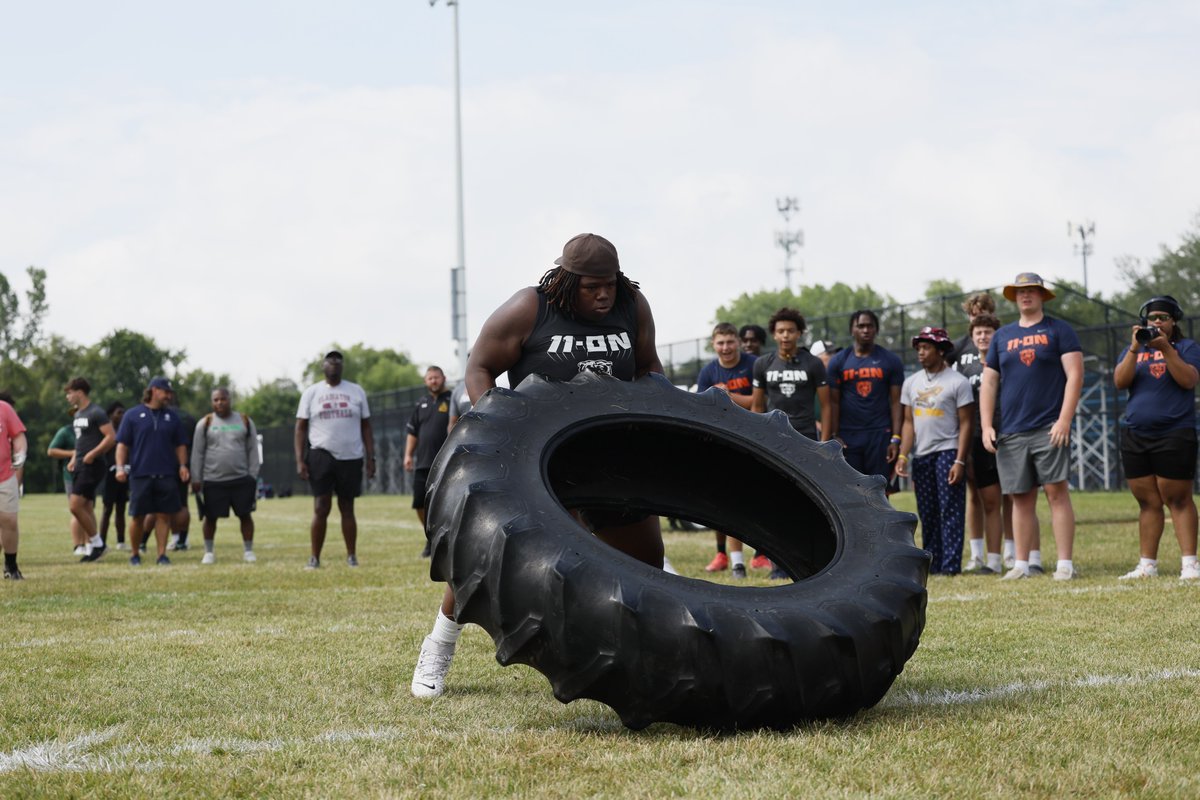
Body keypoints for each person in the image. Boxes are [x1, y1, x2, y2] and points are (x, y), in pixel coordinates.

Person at [411, 232, 664, 699]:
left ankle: (650, 655)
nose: (604, 294)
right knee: (485, 559)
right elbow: (480, 365)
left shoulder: (632, 304)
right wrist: (497, 419)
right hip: (538, 455)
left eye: (609, 283)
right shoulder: (532, 307)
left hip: (610, 453)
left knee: (648, 560)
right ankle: (439, 645)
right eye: (592, 286)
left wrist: (650, 417)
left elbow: (649, 367)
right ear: (567, 281)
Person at [980, 273, 1083, 581]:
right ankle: (1021, 564)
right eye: (1020, 291)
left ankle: (1065, 563)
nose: (1026, 295)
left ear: (1042, 295)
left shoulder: (1059, 330)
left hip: (1049, 427)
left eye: (1032, 291)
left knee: (1056, 493)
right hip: (1011, 430)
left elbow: (1075, 375)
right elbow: (989, 381)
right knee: (1020, 498)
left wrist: (1064, 419)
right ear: (1014, 297)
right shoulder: (1002, 336)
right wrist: (987, 425)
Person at [1112, 295, 1200, 581]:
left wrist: (1166, 350)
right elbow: (1120, 381)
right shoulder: (1134, 350)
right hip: (1137, 434)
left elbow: (1188, 380)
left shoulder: (1187, 347)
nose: (1157, 322)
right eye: (1153, 318)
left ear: (1174, 321)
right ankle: (1147, 564)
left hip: (1174, 433)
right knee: (1147, 502)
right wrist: (1135, 348)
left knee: (1178, 499)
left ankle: (1189, 564)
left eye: (1163, 317)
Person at [894, 327, 974, 575]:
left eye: (926, 347)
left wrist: (960, 461)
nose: (921, 352)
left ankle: (950, 566)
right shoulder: (911, 382)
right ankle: (934, 564)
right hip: (923, 454)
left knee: (950, 510)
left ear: (941, 350)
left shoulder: (958, 382)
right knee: (927, 512)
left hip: (948, 452)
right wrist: (903, 455)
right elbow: (908, 422)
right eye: (918, 348)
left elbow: (966, 424)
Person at [295, 350, 375, 569]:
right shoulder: (312, 393)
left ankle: (351, 555)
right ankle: (314, 557)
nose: (334, 364)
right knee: (321, 506)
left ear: (342, 366)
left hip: (351, 455)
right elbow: (300, 427)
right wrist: (300, 460)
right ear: (323, 366)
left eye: (337, 362)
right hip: (321, 454)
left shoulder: (356, 391)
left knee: (347, 506)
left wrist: (371, 457)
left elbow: (366, 426)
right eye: (330, 361)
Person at [696, 322, 758, 577]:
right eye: (720, 343)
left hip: (754, 440)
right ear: (714, 344)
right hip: (722, 440)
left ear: (738, 342)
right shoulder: (708, 372)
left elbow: (758, 401)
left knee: (757, 498)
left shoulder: (754, 364)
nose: (725, 347)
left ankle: (764, 555)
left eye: (730, 342)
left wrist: (727, 395)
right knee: (725, 500)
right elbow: (699, 407)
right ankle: (733, 560)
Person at [953, 313, 1009, 574]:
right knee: (981, 496)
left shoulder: (1007, 359)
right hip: (975, 435)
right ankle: (978, 556)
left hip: (1008, 431)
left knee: (1012, 494)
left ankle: (1011, 554)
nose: (983, 336)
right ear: (972, 336)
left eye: (988, 331)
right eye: (978, 332)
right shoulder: (963, 362)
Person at [113, 377, 191, 566]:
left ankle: (161, 555)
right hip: (140, 474)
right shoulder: (132, 415)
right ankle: (134, 554)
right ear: (154, 391)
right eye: (166, 392)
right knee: (138, 516)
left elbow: (180, 444)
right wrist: (120, 467)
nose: (169, 396)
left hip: (166, 474)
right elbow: (122, 445)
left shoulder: (172, 417)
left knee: (164, 516)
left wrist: (182, 465)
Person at [827, 310, 904, 482]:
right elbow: (833, 403)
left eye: (870, 326)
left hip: (880, 433)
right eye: (860, 326)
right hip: (849, 435)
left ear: (876, 329)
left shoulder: (890, 360)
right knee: (852, 489)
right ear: (852, 330)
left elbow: (896, 402)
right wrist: (835, 434)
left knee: (881, 489)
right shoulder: (838, 361)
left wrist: (896, 438)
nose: (865, 330)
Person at [190, 387, 261, 564]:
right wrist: (196, 478)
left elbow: (253, 450)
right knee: (210, 517)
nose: (219, 403)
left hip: (241, 479)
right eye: (215, 400)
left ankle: (248, 550)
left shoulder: (244, 420)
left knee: (245, 515)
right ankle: (208, 552)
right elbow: (197, 453)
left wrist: (252, 475)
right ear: (212, 402)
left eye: (223, 399)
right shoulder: (205, 423)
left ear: (230, 399)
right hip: (213, 480)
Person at [65, 378, 117, 562]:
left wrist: (93, 454)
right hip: (80, 464)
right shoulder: (78, 414)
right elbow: (81, 441)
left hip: (93, 465)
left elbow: (111, 437)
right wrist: (74, 458)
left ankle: (98, 543)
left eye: (69, 392)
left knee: (75, 505)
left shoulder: (96, 412)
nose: (67, 397)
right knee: (86, 506)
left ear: (80, 392)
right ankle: (93, 548)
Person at [404, 366, 452, 559]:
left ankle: (444, 540)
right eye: (430, 378)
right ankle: (430, 537)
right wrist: (408, 455)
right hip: (423, 463)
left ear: (443, 378)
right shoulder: (421, 403)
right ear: (425, 381)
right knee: (419, 503)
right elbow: (412, 432)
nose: (433, 381)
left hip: (445, 463)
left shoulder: (452, 400)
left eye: (436, 377)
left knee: (443, 504)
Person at [47, 418, 87, 554]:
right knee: (76, 509)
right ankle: (78, 545)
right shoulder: (66, 431)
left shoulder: (90, 430)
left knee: (88, 509)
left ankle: (89, 544)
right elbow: (51, 451)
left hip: (89, 473)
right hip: (71, 475)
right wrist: (73, 453)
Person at [164, 388, 197, 551]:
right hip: (187, 464)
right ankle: (183, 539)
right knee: (183, 503)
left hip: (167, 463)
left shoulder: (163, 416)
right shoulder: (189, 418)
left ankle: (176, 538)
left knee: (168, 504)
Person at [1, 396, 28, 580]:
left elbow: (18, 436)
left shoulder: (4, 408)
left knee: (9, 520)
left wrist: (20, 453)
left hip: (4, 474)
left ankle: (11, 566)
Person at [100, 402, 129, 549]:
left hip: (123, 472)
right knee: (107, 509)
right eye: (119, 413)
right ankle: (102, 541)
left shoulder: (126, 430)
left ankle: (121, 541)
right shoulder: (106, 433)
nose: (122, 415)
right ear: (111, 415)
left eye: (123, 412)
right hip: (108, 473)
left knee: (121, 508)